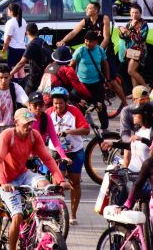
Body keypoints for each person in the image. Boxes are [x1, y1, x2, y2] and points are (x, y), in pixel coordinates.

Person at [0, 108, 69, 250]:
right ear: (16, 123)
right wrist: (3, 182)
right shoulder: (8, 135)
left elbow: (47, 158)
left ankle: (38, 224)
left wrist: (60, 180)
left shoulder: (34, 135)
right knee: (18, 215)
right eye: (26, 123)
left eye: (31, 123)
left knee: (45, 185)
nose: (29, 126)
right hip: (7, 181)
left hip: (23, 174)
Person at [46, 87, 89, 224]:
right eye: (55, 103)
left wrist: (69, 132)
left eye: (61, 103)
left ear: (66, 102)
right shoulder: (48, 113)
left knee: (74, 182)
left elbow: (86, 130)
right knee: (58, 183)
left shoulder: (74, 111)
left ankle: (73, 214)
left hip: (75, 151)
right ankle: (56, 212)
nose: (58, 106)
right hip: (56, 152)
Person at [69, 31, 109, 131]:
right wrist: (72, 80)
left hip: (96, 83)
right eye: (86, 41)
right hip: (82, 84)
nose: (87, 43)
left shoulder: (100, 50)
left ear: (96, 42)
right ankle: (81, 128)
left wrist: (107, 78)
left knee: (101, 106)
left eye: (90, 41)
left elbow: (105, 64)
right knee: (81, 107)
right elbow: (71, 65)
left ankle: (105, 128)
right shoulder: (80, 51)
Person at [9, 22, 49, 93]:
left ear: (26, 33)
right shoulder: (42, 41)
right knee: (21, 82)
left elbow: (21, 63)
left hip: (35, 77)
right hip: (43, 74)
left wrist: (10, 74)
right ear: (37, 31)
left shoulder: (31, 45)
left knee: (26, 97)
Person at [118, 4, 149, 88]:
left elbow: (140, 39)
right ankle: (135, 91)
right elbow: (125, 38)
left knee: (131, 71)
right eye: (132, 13)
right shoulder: (129, 23)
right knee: (133, 71)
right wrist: (121, 32)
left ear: (140, 13)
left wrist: (128, 32)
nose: (134, 15)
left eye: (136, 13)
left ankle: (146, 87)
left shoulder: (144, 24)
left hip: (139, 50)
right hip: (130, 50)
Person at [2, 3, 27, 68]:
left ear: (11, 12)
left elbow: (8, 39)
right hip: (22, 48)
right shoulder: (23, 21)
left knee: (13, 71)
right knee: (20, 70)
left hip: (13, 50)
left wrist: (3, 51)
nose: (7, 11)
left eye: (8, 10)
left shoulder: (10, 22)